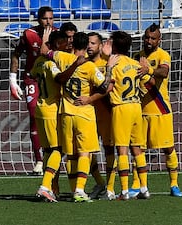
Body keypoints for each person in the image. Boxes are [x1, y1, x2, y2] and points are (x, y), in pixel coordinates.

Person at [46, 32, 115, 202]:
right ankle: (79, 190)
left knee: (65, 152)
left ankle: (47, 185)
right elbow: (106, 87)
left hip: (65, 113)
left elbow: (45, 52)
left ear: (72, 43)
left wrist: (45, 39)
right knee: (85, 153)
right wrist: (110, 68)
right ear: (85, 47)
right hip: (84, 114)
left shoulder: (61, 58)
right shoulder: (90, 66)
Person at [135, 23, 182, 197]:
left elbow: (163, 72)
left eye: (153, 38)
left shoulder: (163, 55)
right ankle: (138, 185)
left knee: (168, 148)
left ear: (159, 40)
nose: (149, 41)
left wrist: (149, 70)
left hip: (160, 108)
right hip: (140, 110)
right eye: (147, 37)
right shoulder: (137, 56)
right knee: (138, 149)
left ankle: (174, 184)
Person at [10, 6, 57, 175]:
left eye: (51, 18)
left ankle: (56, 156)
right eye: (45, 19)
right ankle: (39, 160)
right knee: (33, 114)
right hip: (32, 78)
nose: (48, 22)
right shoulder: (29, 34)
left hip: (53, 79)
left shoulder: (58, 34)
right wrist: (12, 81)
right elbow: (16, 54)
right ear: (38, 19)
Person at [106, 31, 150, 200]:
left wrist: (108, 68)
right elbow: (146, 85)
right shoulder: (136, 64)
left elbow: (107, 88)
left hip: (121, 108)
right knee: (137, 149)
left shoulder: (114, 65)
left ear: (114, 46)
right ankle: (144, 188)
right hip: (136, 107)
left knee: (122, 149)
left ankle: (124, 191)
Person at [31, 31, 69, 202]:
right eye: (63, 42)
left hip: (40, 108)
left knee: (48, 151)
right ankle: (45, 186)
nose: (67, 44)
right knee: (57, 150)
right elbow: (59, 78)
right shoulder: (50, 63)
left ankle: (53, 187)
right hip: (51, 110)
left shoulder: (38, 62)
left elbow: (32, 75)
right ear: (56, 44)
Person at [85, 32, 117, 200]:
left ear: (100, 45)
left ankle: (110, 188)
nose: (90, 46)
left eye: (93, 43)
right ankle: (100, 182)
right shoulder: (82, 63)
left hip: (105, 113)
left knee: (109, 149)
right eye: (88, 43)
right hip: (87, 114)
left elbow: (109, 89)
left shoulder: (106, 63)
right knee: (86, 152)